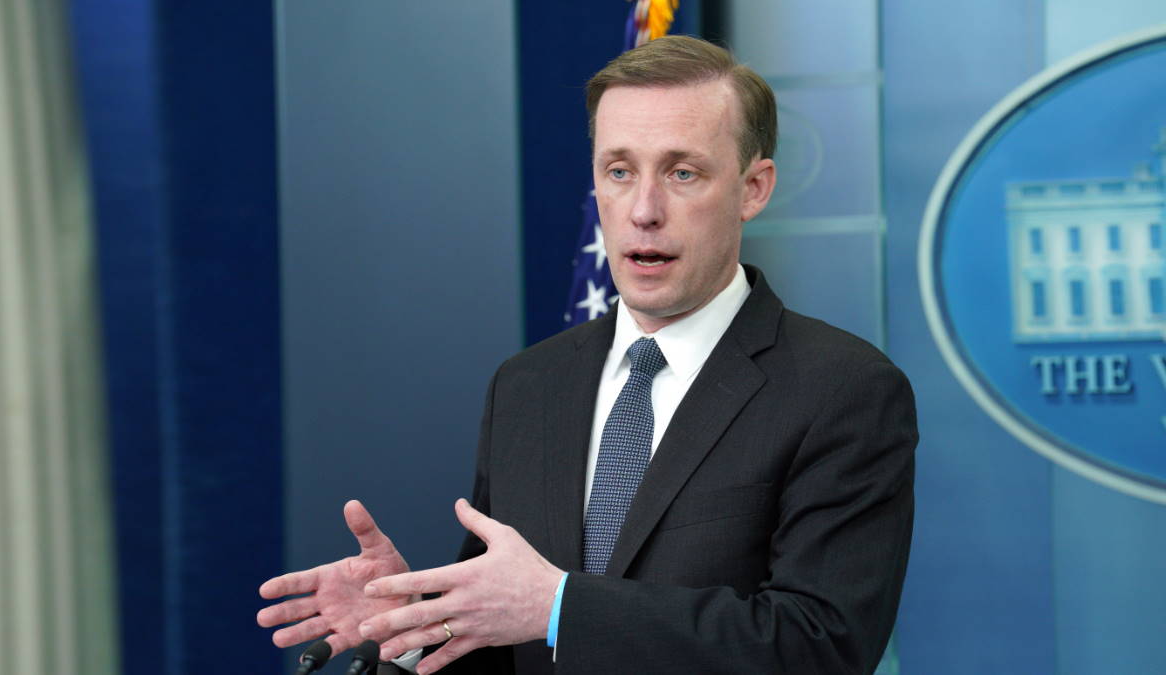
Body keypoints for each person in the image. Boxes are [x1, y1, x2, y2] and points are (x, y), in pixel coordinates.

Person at [258, 35, 917, 675]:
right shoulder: (528, 385)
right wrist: (416, 624)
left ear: (754, 188)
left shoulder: (842, 389)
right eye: (619, 172)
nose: (644, 210)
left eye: (682, 173)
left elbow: (821, 647)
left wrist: (561, 608)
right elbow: (506, 643)